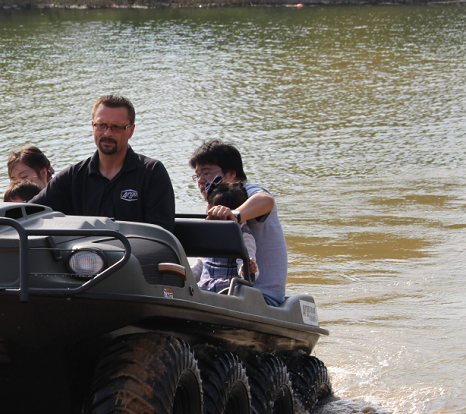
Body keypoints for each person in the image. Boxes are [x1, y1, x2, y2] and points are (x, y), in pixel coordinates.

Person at [30, 94, 175, 231]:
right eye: (101, 125)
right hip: (82, 256)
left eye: (117, 127)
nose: (107, 133)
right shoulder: (73, 177)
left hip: (135, 257)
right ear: (93, 126)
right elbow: (29, 212)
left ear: (131, 130)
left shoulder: (152, 173)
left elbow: (160, 236)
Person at [189, 139, 287, 306]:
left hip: (261, 295)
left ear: (232, 174)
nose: (201, 180)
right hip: (221, 291)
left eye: (206, 173)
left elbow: (266, 200)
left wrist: (234, 216)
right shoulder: (214, 205)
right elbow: (205, 260)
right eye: (198, 175)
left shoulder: (245, 193)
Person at [191, 180, 258, 293]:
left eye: (227, 217)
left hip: (229, 291)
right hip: (205, 289)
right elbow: (202, 264)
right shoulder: (208, 233)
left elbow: (246, 262)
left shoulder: (243, 235)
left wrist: (247, 269)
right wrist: (185, 276)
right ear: (209, 209)